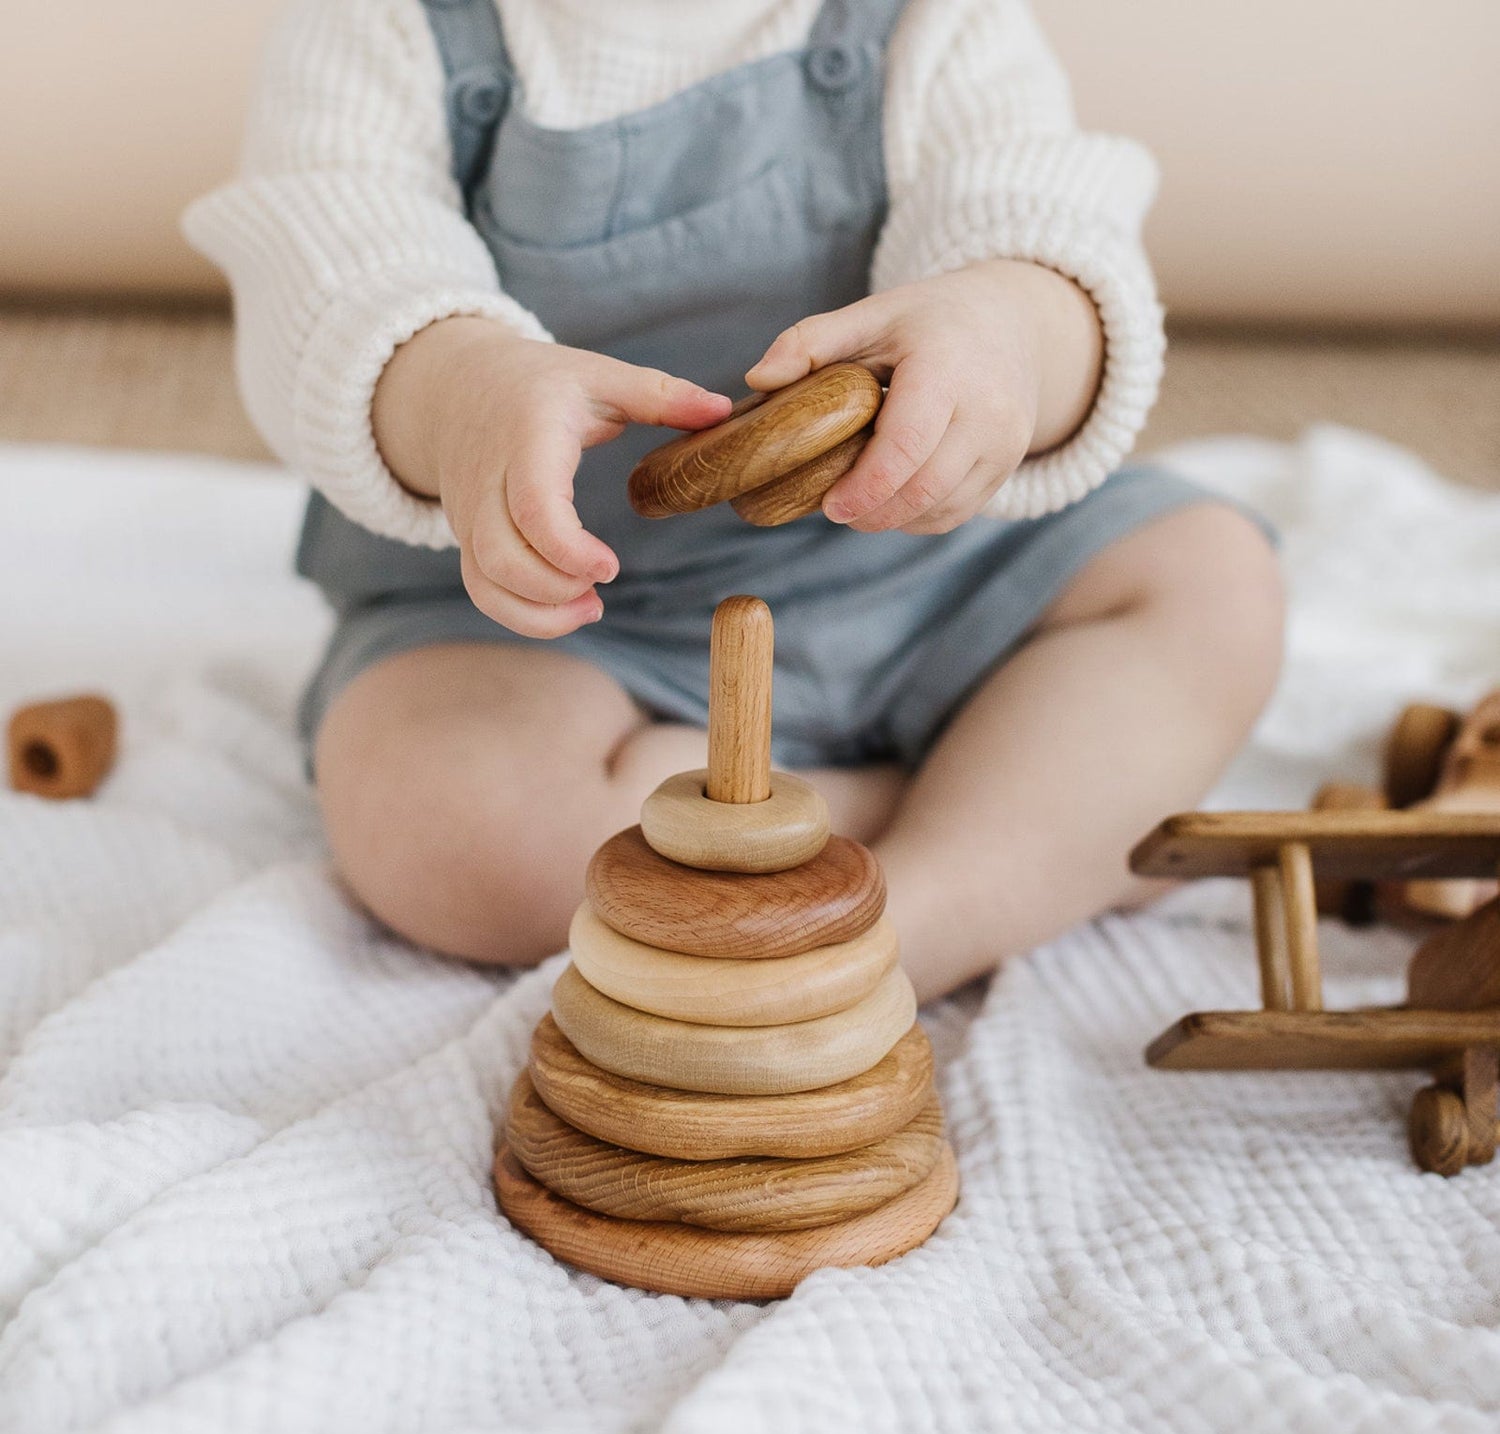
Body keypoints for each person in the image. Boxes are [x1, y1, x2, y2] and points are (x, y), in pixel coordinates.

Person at [186, 0, 1283, 1001]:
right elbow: (327, 276)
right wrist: (460, 390)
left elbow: (1051, 232)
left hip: (928, 567)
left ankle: (927, 913)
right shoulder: (386, 25)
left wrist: (1004, 334)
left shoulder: (929, 22)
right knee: (449, 823)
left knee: (1212, 580)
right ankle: (1027, 820)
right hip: (565, 622)